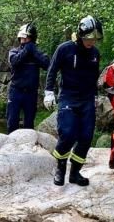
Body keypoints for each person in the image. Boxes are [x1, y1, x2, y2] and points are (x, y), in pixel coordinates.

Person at [44, 16, 103, 186]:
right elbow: (52, 69)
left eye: (95, 39)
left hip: (87, 99)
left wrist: (96, 97)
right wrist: (49, 92)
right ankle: (60, 168)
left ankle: (75, 173)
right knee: (68, 134)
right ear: (81, 34)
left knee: (86, 137)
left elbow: (93, 77)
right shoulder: (65, 49)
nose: (92, 42)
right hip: (68, 97)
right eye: (89, 38)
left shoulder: (95, 54)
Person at [6, 23, 51, 133]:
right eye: (22, 37)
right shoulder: (14, 51)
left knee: (29, 124)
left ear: (32, 38)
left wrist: (33, 51)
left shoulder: (36, 53)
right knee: (12, 122)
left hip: (31, 93)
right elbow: (15, 61)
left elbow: (47, 65)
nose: (24, 39)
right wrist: (27, 50)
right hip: (15, 91)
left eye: (27, 37)